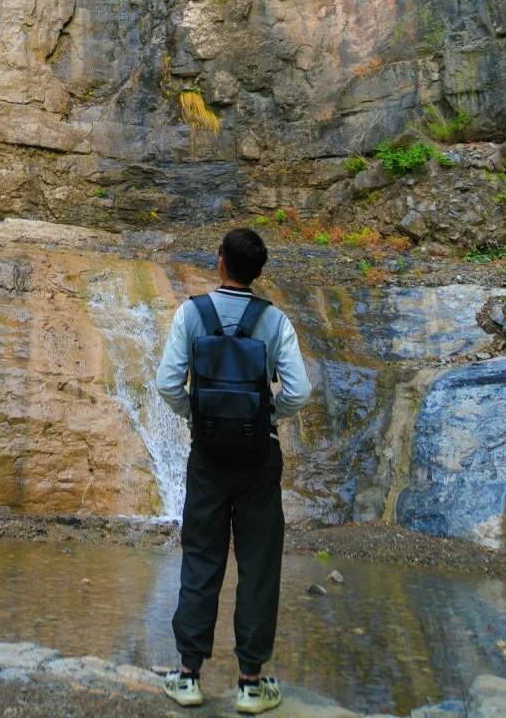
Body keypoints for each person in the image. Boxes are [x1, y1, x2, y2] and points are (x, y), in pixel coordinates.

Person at [155, 227, 312, 711]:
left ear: (219, 263)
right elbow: (299, 392)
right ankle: (249, 682)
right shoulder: (274, 320)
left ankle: (188, 676)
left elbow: (167, 384)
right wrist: (267, 417)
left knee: (202, 559)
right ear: (259, 274)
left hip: (207, 457)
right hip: (258, 459)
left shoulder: (191, 313)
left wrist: (196, 415)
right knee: (259, 565)